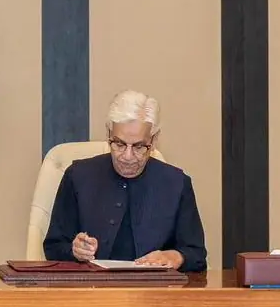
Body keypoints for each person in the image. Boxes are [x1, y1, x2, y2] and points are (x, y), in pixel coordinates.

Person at [43, 90, 207, 272]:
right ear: (108, 134)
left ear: (154, 140)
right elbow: (53, 247)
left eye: (139, 146)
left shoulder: (177, 184)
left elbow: (196, 255)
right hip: (91, 287)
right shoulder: (77, 176)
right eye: (119, 144)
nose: (127, 156)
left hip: (154, 288)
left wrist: (175, 256)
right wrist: (74, 250)